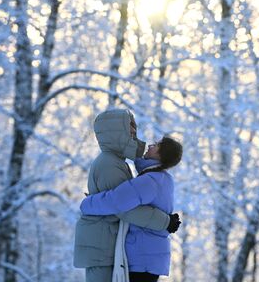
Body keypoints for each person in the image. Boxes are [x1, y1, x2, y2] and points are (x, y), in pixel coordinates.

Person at [73, 109, 181, 282]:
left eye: (156, 145)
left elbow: (119, 204)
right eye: (128, 131)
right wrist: (165, 222)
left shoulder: (147, 177)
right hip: (106, 245)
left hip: (133, 253)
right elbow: (123, 208)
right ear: (116, 134)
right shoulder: (111, 164)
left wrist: (88, 203)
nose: (148, 144)